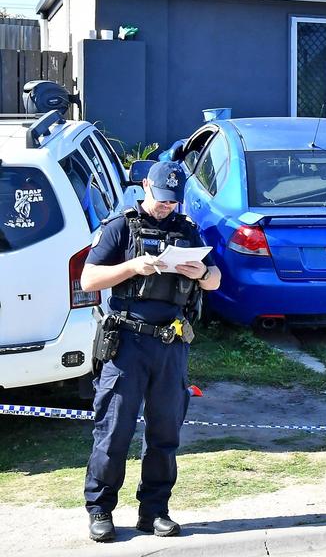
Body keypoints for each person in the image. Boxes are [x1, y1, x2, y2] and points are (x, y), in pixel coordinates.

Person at [80, 161, 221, 542]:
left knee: (165, 433)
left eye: (172, 202)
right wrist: (131, 267)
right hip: (126, 342)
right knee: (114, 431)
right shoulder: (120, 227)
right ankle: (101, 510)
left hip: (170, 343)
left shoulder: (187, 231)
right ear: (145, 187)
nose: (166, 207)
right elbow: (88, 278)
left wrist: (201, 275)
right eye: (161, 199)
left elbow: (215, 278)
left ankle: (154, 510)